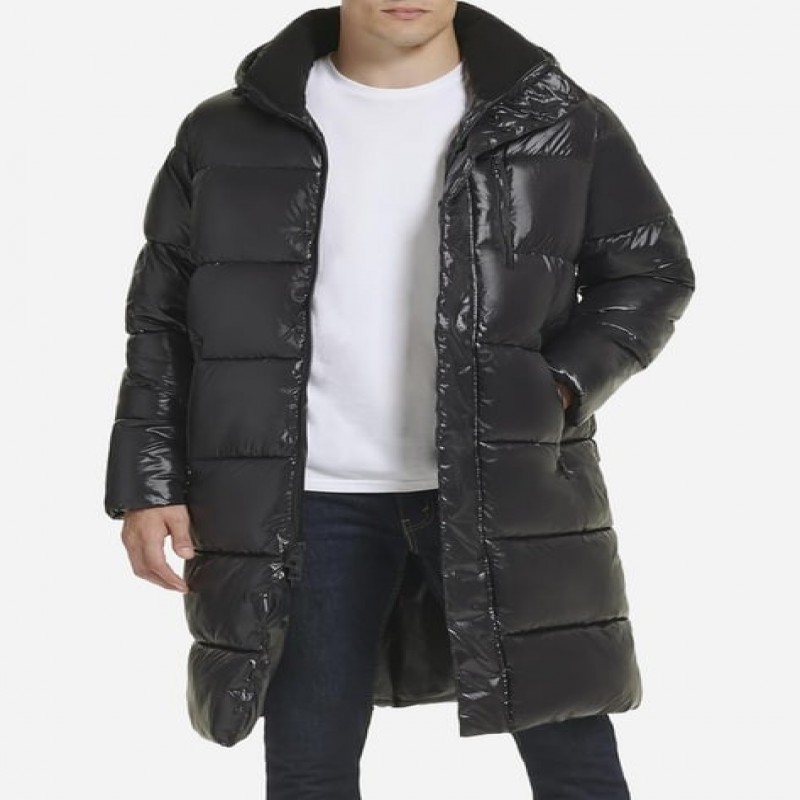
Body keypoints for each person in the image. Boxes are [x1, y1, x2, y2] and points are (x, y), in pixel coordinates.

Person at [104, 1, 695, 798]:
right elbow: (163, 319)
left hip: (507, 488)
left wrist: (556, 387)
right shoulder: (228, 132)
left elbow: (651, 272)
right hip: (305, 502)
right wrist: (149, 484)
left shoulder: (554, 117)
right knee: (310, 762)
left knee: (572, 755)